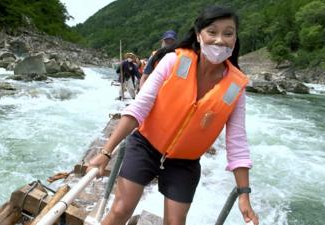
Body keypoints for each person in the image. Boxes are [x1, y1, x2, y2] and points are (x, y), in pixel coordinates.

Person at [88, 5, 259, 225]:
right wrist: (106, 152)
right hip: (146, 146)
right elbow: (138, 109)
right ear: (199, 35)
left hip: (185, 162)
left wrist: (243, 193)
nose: (220, 40)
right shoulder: (173, 61)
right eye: (212, 32)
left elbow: (237, 141)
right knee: (121, 210)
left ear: (235, 38)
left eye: (228, 33)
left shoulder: (236, 87)